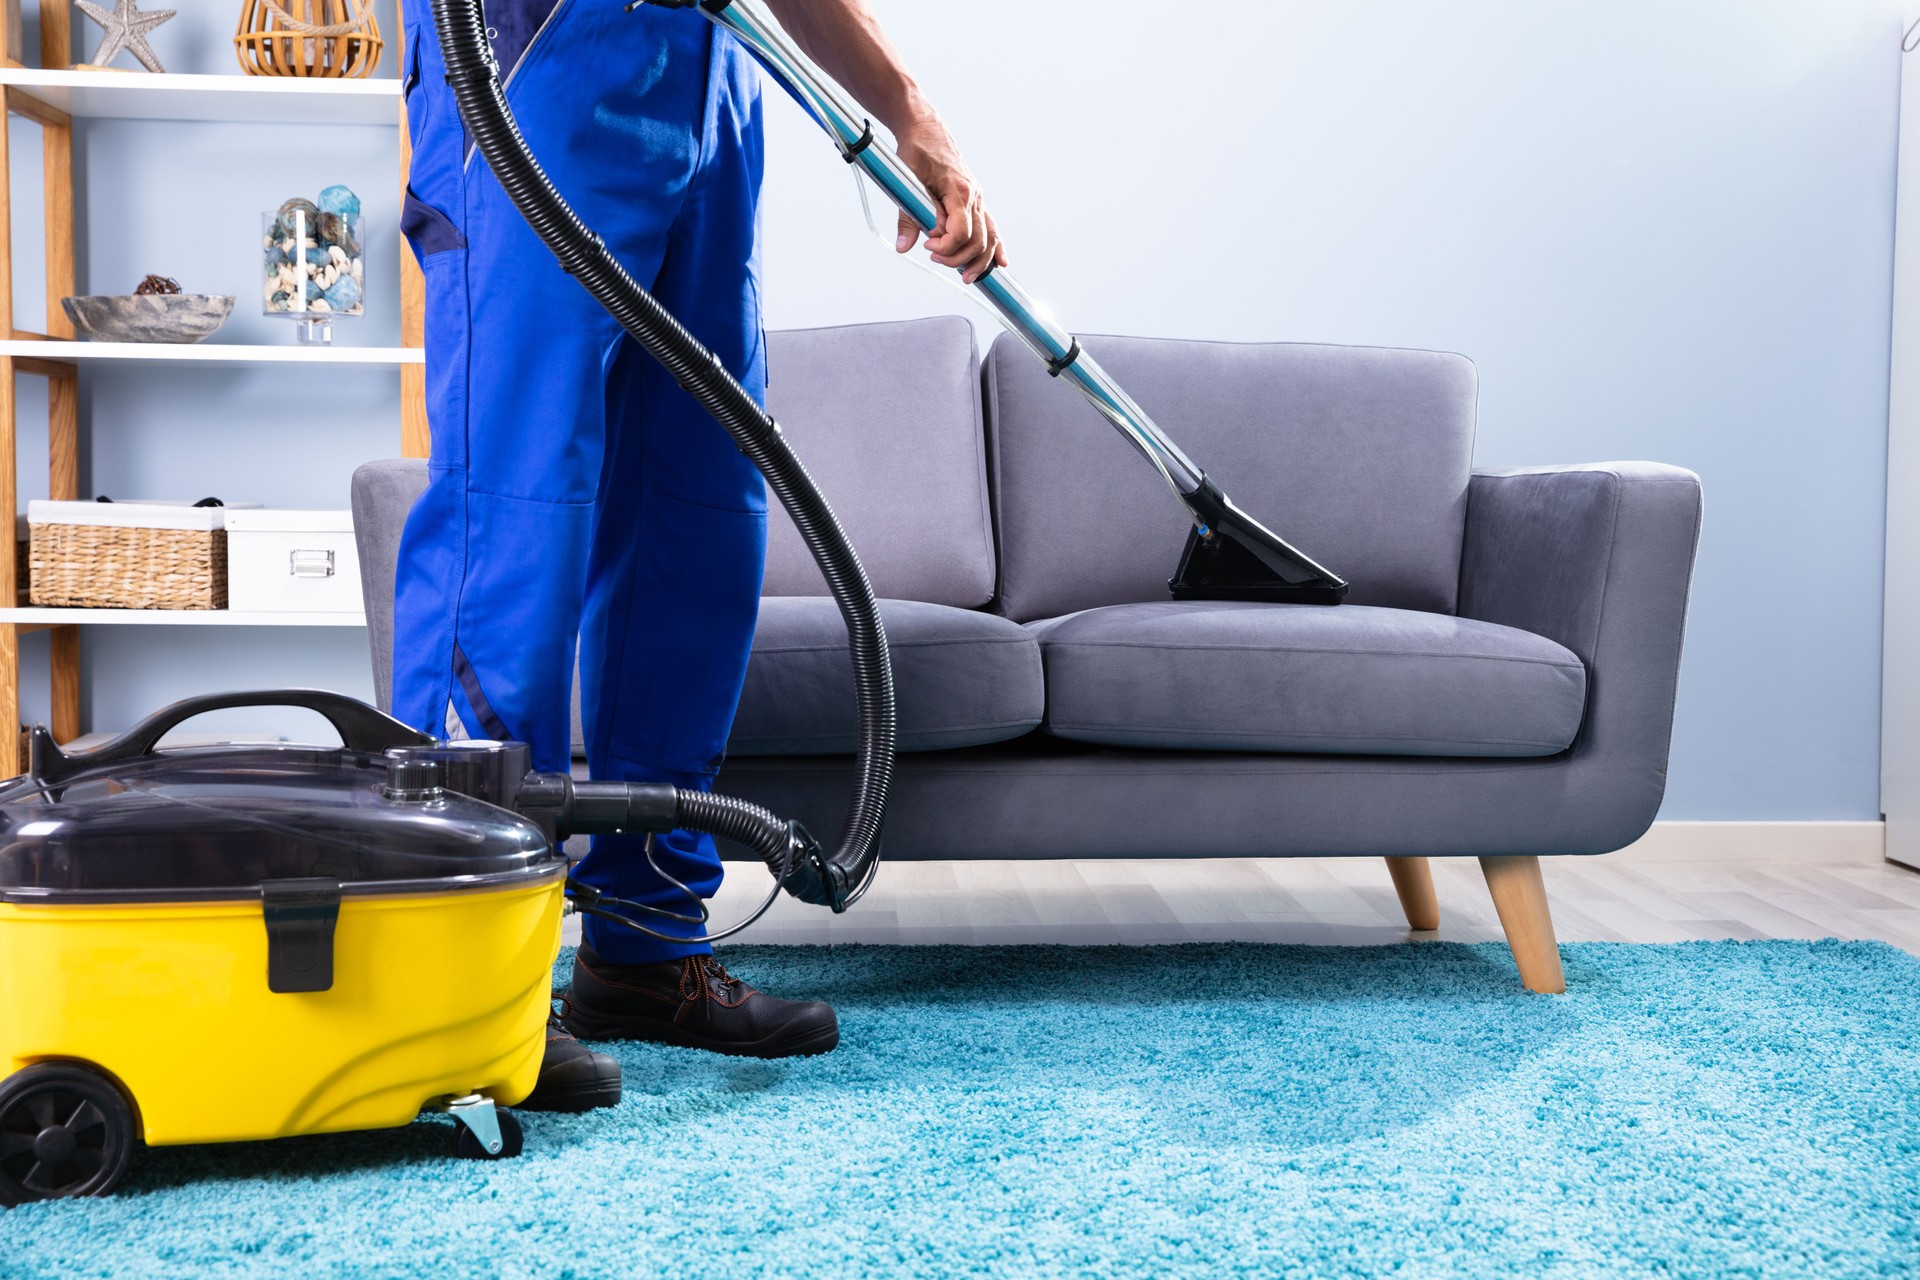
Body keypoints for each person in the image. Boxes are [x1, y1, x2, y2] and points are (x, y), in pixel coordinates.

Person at [394, 0, 1006, 1109]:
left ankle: (641, 945)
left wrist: (911, 113)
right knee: (515, 512)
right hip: (533, 54)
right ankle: (456, 979)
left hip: (712, 73)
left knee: (699, 518)